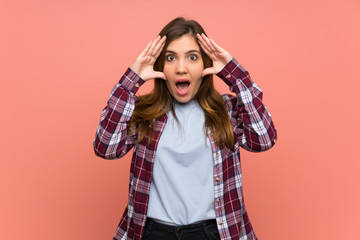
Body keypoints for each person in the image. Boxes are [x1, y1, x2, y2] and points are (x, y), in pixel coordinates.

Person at [93, 17, 277, 240]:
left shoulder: (227, 110)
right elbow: (105, 147)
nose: (181, 68)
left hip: (214, 233)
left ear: (205, 65)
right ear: (160, 66)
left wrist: (235, 74)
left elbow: (264, 139)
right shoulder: (143, 112)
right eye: (170, 58)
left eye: (192, 57)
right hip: (153, 233)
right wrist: (131, 80)